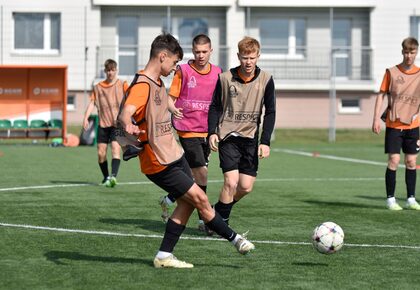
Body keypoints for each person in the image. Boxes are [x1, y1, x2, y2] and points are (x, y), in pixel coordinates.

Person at [118, 33, 255, 269]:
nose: (174, 69)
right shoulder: (142, 86)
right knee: (200, 198)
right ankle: (236, 239)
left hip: (173, 153)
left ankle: (164, 256)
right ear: (162, 57)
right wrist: (127, 124)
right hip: (158, 162)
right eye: (172, 63)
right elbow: (125, 112)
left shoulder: (157, 82)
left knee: (188, 203)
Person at [208, 36, 276, 225]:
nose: (248, 62)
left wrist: (265, 141)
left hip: (250, 138)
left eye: (252, 57)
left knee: (245, 187)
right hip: (228, 137)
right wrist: (212, 132)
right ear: (238, 56)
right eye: (245, 57)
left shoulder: (266, 80)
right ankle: (221, 225)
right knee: (231, 182)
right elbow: (215, 107)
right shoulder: (224, 78)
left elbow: (270, 112)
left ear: (258, 56)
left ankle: (215, 212)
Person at [159, 34, 222, 236]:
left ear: (211, 51)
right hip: (187, 129)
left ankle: (170, 198)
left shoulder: (219, 73)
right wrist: (173, 109)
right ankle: (206, 218)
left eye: (204, 52)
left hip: (209, 131)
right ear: (192, 51)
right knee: (202, 172)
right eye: (197, 52)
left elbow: (221, 103)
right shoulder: (183, 71)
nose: (201, 55)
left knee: (193, 176)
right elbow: (170, 98)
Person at [372, 37, 420, 211]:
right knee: (394, 160)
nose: (409, 56)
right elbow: (381, 95)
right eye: (406, 52)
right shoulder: (392, 72)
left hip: (413, 127)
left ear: (416, 53)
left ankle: (411, 199)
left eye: (412, 52)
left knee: (411, 162)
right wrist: (376, 118)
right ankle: (391, 199)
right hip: (393, 125)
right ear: (402, 52)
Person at [83, 59, 128, 187]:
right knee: (101, 153)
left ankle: (113, 177)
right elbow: (92, 103)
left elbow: (131, 98)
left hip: (117, 124)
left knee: (115, 149)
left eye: (113, 70)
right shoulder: (98, 87)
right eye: (108, 70)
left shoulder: (122, 84)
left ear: (116, 70)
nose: (110, 73)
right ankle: (106, 177)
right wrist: (85, 118)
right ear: (105, 71)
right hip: (103, 124)